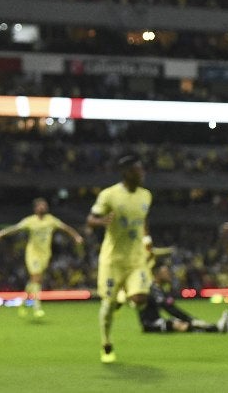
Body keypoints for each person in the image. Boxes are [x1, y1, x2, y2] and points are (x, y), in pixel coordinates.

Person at [86, 155, 152, 363]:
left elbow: (143, 220)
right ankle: (106, 343)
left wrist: (147, 238)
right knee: (108, 306)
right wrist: (102, 221)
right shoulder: (109, 195)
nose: (142, 174)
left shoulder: (146, 196)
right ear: (127, 173)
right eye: (138, 170)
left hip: (136, 259)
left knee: (141, 300)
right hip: (112, 260)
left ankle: (124, 296)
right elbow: (90, 219)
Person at [0, 197, 83, 318]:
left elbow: (65, 228)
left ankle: (23, 303)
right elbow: (15, 228)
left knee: (35, 281)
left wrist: (76, 237)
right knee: (36, 277)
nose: (43, 207)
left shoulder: (51, 220)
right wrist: (0, 233)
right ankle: (37, 307)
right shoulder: (30, 221)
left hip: (45, 255)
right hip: (32, 254)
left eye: (44, 205)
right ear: (35, 208)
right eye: (41, 205)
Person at [138, 264, 228, 334]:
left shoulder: (158, 288)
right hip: (150, 325)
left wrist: (188, 318)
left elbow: (170, 306)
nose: (169, 274)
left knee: (179, 322)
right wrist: (189, 319)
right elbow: (168, 308)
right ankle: (216, 328)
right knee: (178, 324)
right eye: (166, 272)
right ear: (157, 274)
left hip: (157, 321)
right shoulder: (153, 289)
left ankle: (215, 327)